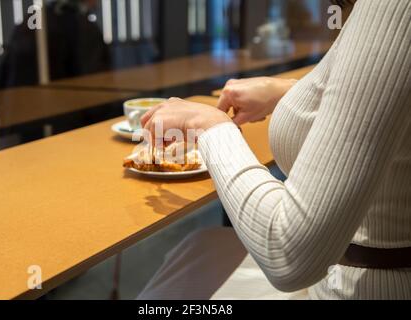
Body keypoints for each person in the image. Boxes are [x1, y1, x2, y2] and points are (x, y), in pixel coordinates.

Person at [138, 0, 411, 299]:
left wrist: (209, 125)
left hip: (357, 286)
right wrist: (291, 92)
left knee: (171, 284)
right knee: (195, 248)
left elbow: (290, 254)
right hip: (339, 272)